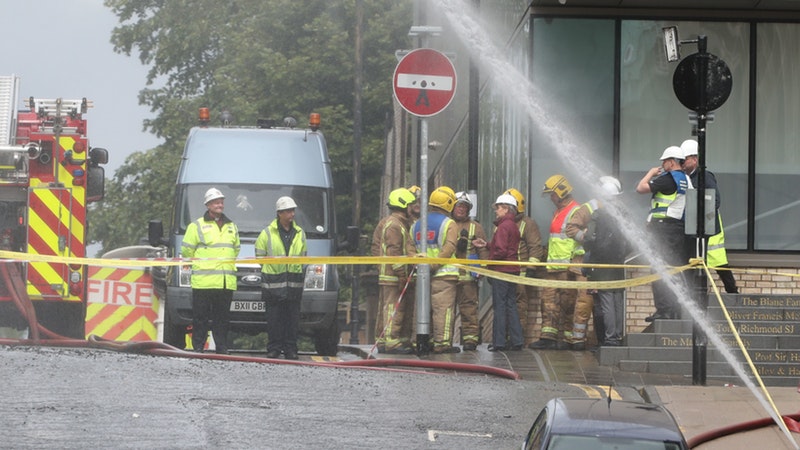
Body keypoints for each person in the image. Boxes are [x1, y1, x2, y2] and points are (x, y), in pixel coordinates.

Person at [636, 146, 693, 321]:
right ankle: (673, 308)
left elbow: (640, 188)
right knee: (672, 268)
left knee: (658, 268)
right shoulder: (686, 179)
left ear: (671, 161)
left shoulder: (668, 179)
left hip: (663, 229)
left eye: (664, 161)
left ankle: (664, 310)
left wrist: (650, 173)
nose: (662, 164)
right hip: (677, 229)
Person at [181, 187, 240, 354]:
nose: (220, 204)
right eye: (216, 202)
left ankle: (222, 347)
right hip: (204, 280)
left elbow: (235, 249)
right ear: (208, 205)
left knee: (222, 318)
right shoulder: (196, 226)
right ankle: (198, 346)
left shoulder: (231, 226)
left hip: (224, 281)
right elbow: (187, 251)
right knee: (200, 317)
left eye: (221, 201)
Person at [529, 175, 581, 350]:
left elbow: (580, 242)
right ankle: (548, 337)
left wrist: (575, 264)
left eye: (552, 194)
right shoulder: (558, 212)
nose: (551, 198)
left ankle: (568, 339)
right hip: (552, 267)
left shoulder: (576, 211)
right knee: (548, 301)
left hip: (567, 267)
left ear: (561, 192)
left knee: (568, 303)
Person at [681, 139, 739, 294]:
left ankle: (733, 294)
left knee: (719, 265)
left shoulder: (704, 176)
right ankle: (696, 295)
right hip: (693, 229)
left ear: (694, 159)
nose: (682, 163)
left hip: (709, 228)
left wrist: (701, 217)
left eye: (684, 160)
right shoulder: (684, 178)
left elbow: (715, 200)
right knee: (696, 264)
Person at [255, 196, 308, 360]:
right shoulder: (267, 233)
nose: (292, 214)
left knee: (292, 321)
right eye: (288, 211)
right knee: (274, 321)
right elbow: (259, 256)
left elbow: (304, 256)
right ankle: (274, 348)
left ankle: (291, 349)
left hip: (293, 285)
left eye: (293, 210)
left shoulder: (300, 233)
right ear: (279, 213)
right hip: (273, 286)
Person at [472, 193, 523, 351]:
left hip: (501, 271)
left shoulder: (503, 226)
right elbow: (506, 247)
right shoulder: (512, 225)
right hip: (512, 269)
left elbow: (501, 250)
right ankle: (517, 340)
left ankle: (499, 342)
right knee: (511, 305)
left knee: (499, 306)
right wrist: (487, 244)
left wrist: (490, 262)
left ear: (506, 208)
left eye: (498, 207)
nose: (496, 210)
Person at [413, 186, 460, 354]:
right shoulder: (449, 224)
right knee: (443, 311)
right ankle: (442, 343)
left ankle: (425, 341)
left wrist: (422, 266)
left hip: (422, 275)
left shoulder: (417, 224)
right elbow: (449, 248)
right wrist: (434, 265)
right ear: (448, 204)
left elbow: (410, 249)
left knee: (424, 310)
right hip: (445, 275)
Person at [583, 176, 630, 346]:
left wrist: (591, 251)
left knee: (606, 300)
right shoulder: (624, 214)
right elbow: (632, 241)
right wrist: (621, 254)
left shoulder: (599, 214)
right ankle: (617, 335)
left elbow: (589, 238)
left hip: (601, 263)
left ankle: (610, 338)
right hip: (618, 261)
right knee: (617, 298)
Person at [373, 188, 418, 354]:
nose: (413, 208)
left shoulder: (396, 223)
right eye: (411, 205)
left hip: (390, 274)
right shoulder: (394, 225)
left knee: (391, 308)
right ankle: (392, 342)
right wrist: (401, 275)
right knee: (394, 309)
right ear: (404, 205)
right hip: (393, 276)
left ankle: (388, 340)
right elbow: (395, 251)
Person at [503, 188, 546, 343]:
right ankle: (506, 336)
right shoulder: (501, 224)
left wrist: (531, 268)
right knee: (505, 307)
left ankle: (516, 338)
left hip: (520, 273)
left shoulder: (528, 224)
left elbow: (535, 247)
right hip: (503, 273)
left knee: (519, 307)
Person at [451, 191, 489, 351]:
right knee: (447, 311)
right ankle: (443, 341)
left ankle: (470, 340)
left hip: (468, 279)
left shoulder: (476, 227)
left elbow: (483, 250)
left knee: (469, 310)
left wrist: (483, 269)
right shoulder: (447, 224)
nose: (461, 209)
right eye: (459, 206)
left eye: (464, 207)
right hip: (449, 277)